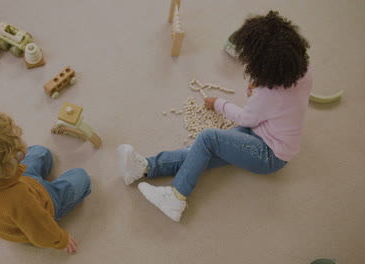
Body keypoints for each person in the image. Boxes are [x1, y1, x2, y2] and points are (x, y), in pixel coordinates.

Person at [117, 10, 312, 222]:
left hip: (268, 154)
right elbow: (276, 104)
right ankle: (145, 167)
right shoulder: (304, 71)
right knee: (201, 153)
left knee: (208, 139)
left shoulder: (268, 95)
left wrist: (219, 103)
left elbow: (247, 118)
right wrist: (260, 89)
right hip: (265, 132)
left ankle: (176, 197)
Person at [0, 108, 91, 253]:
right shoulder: (20, 200)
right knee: (81, 177)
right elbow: (40, 229)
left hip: (16, 184)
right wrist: (60, 239)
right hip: (45, 202)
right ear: (10, 163)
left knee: (40, 152)